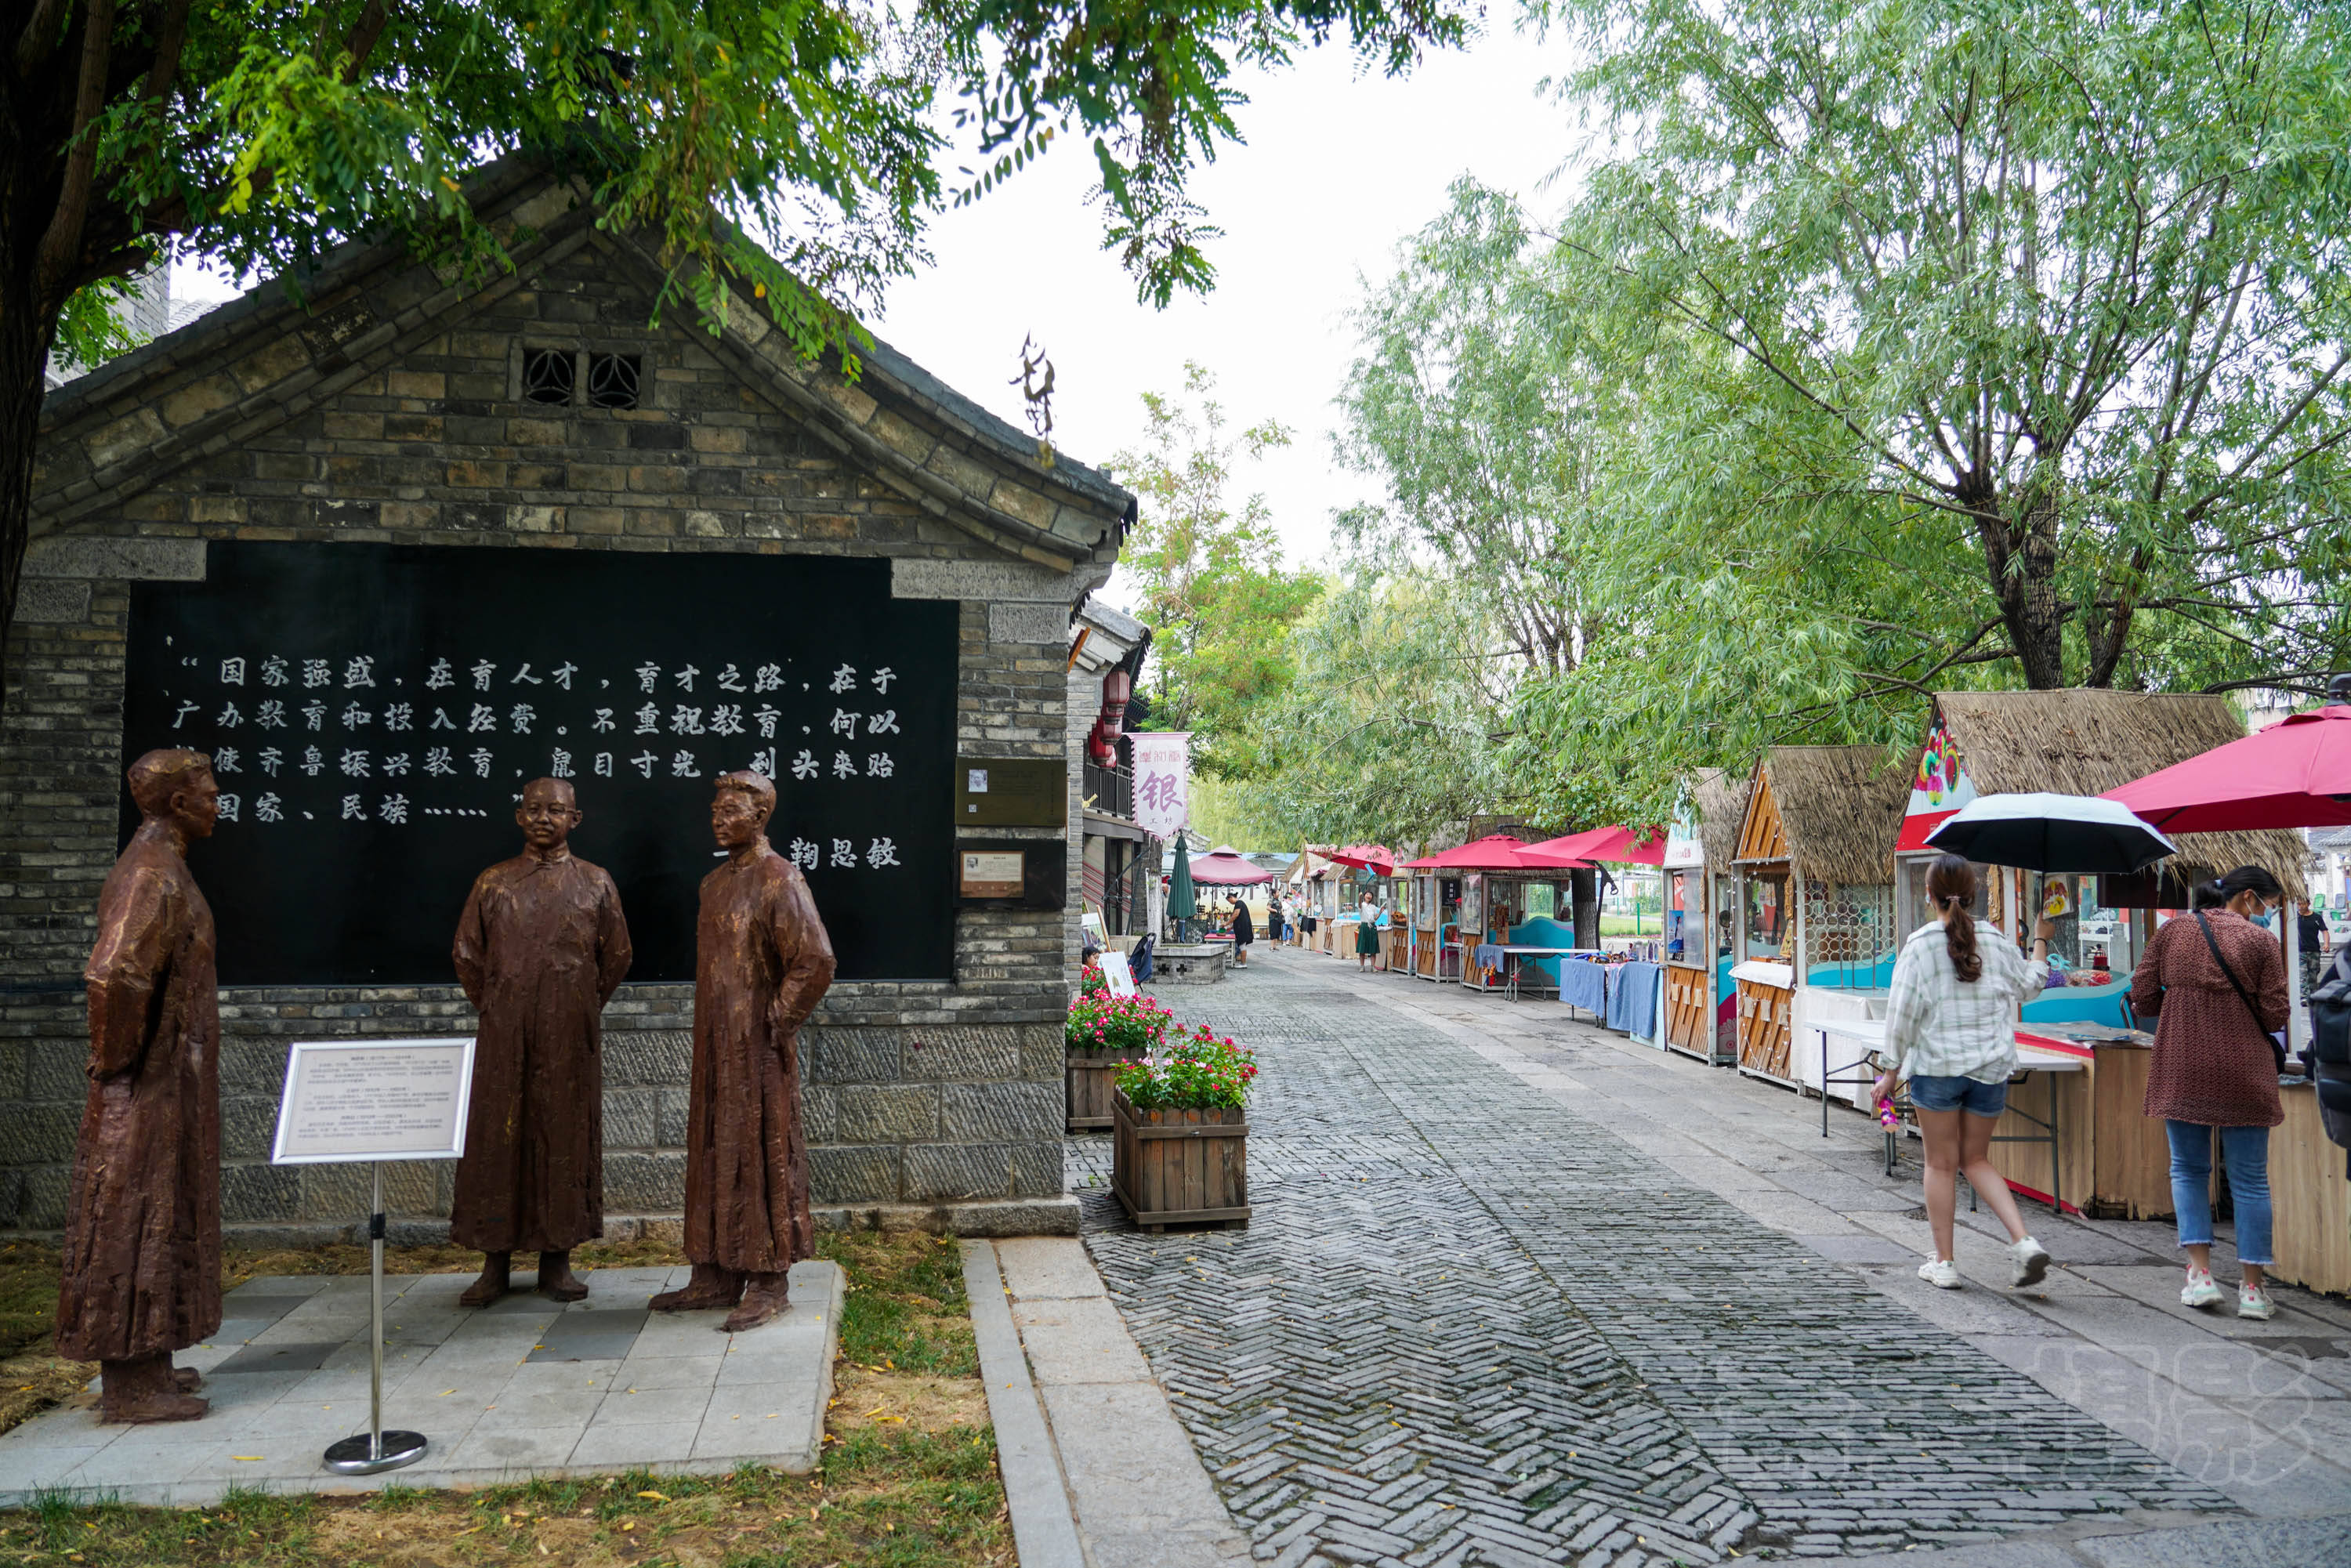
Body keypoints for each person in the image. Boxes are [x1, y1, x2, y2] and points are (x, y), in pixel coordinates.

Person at [56, 750, 223, 1423]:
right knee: (134, 1218)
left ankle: (148, 1361)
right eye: (209, 791)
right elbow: (114, 973)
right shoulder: (151, 874)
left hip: (165, 1081)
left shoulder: (166, 866)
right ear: (178, 803)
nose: (218, 801)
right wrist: (116, 1059)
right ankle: (131, 1384)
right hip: (143, 1087)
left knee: (162, 1212)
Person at [652, 771, 837, 1332]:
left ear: (759, 817)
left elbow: (816, 960)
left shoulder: (779, 879)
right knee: (712, 1146)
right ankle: (713, 1272)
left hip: (757, 1046)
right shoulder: (713, 884)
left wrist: (777, 1017)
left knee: (760, 1151)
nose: (717, 816)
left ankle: (768, 1279)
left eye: (730, 809)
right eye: (715, 808)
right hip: (714, 1043)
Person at [450, 777, 634, 1307]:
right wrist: (500, 1002)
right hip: (504, 1032)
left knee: (564, 1135)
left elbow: (617, 954)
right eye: (533, 809)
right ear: (518, 816)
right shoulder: (494, 883)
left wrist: (578, 1004)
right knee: (496, 1140)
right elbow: (467, 952)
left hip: (568, 1036)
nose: (543, 818)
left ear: (575, 819)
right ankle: (494, 1263)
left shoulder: (595, 883)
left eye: (556, 809)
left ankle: (558, 1261)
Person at [1871, 855, 2056, 1292]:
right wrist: (2041, 942)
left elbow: (1902, 1015)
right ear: (1974, 895)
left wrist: (1889, 1071)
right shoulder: (1993, 939)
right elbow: (2029, 987)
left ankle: (1946, 1262)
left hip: (1936, 1069)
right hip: (1990, 1069)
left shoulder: (1918, 946)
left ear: (1928, 895)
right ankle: (2024, 1241)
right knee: (1975, 1160)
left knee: (1940, 1163)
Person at [2131, 865, 2291, 1320]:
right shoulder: (2262, 942)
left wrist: (2179, 1006)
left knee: (2187, 1169)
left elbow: (2142, 995)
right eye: (2269, 906)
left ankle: (2200, 1277)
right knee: (2251, 1180)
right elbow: (2277, 1013)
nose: (2269, 915)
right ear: (2247, 899)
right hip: (2245, 1070)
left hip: (2181, 1064)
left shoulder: (2172, 932)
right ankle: (2254, 1291)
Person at [2298, 898, 2331, 998]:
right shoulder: (2295, 918)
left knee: (2313, 976)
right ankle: (2303, 997)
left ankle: (2312, 997)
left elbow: (2325, 931)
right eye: (2298, 904)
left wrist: (2326, 944)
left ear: (2308, 904)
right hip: (2301, 951)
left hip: (2314, 951)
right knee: (2302, 975)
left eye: (2302, 904)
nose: (2300, 906)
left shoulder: (2316, 917)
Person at [1356, 891, 1380, 972]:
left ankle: (1373, 967)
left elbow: (1375, 918)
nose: (1369, 896)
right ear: (1364, 896)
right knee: (1362, 948)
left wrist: (1380, 913)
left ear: (1372, 897)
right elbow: (1359, 904)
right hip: (1364, 926)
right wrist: (1359, 896)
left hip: (1372, 926)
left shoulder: (1373, 907)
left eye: (1370, 895)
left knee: (1373, 948)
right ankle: (1362, 966)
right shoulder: (1362, 905)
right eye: (1367, 894)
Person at [1230, 893, 1254, 965]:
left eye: (1229, 900)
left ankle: (1243, 963)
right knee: (1242, 945)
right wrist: (1230, 927)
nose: (1230, 902)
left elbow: (1236, 914)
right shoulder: (1239, 903)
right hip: (1242, 927)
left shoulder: (1239, 903)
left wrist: (1227, 923)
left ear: (1231, 897)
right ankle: (1242, 963)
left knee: (1242, 946)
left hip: (1243, 928)